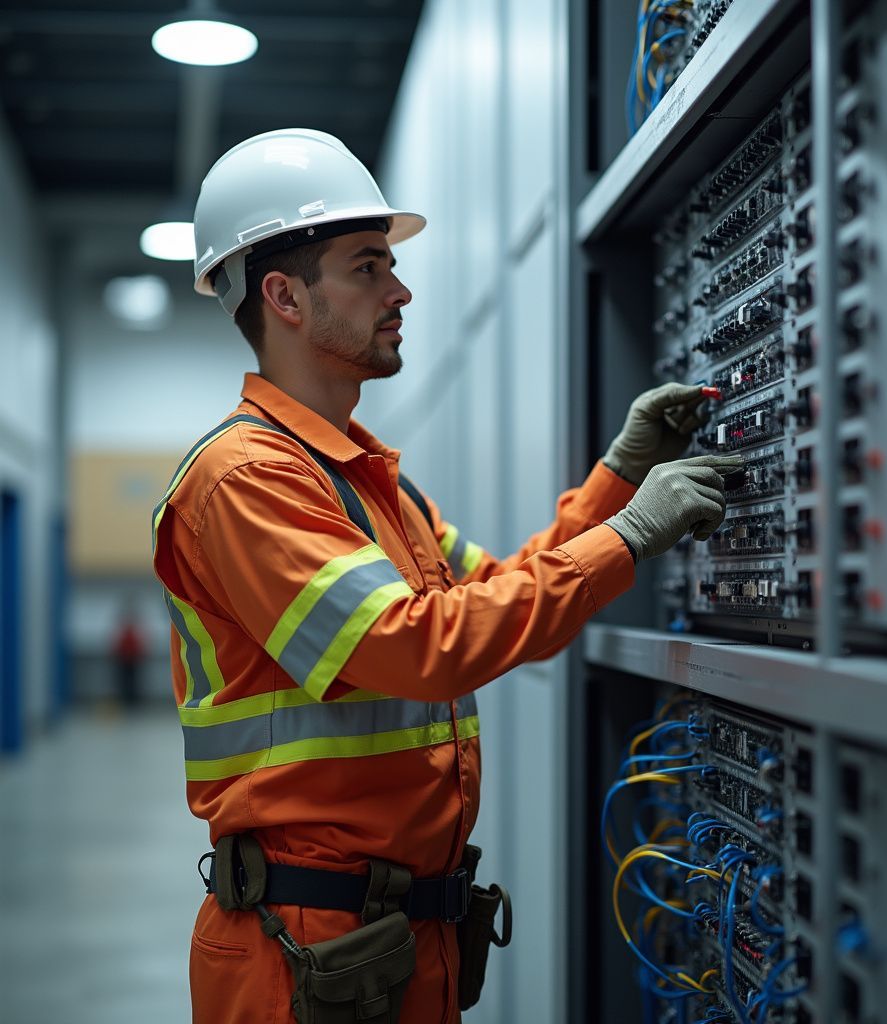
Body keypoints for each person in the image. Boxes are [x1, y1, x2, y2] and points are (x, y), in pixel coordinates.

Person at [151, 128, 740, 1024]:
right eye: (367, 267)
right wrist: (629, 536)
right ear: (285, 297)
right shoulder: (246, 481)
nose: (402, 291)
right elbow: (418, 647)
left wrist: (618, 480)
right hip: (302, 951)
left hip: (393, 940)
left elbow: (498, 588)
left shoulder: (366, 480)